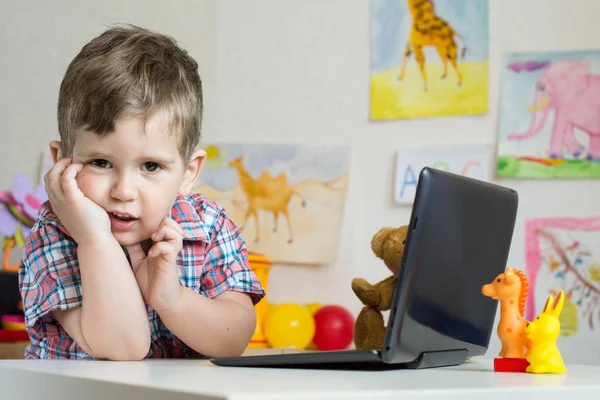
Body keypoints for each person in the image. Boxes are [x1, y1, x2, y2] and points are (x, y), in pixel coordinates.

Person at [18, 24, 265, 360]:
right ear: (62, 161)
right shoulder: (54, 234)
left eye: (150, 167)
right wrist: (95, 240)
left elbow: (234, 340)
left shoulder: (207, 225)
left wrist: (172, 298)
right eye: (101, 162)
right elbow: (123, 348)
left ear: (187, 173)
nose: (123, 191)